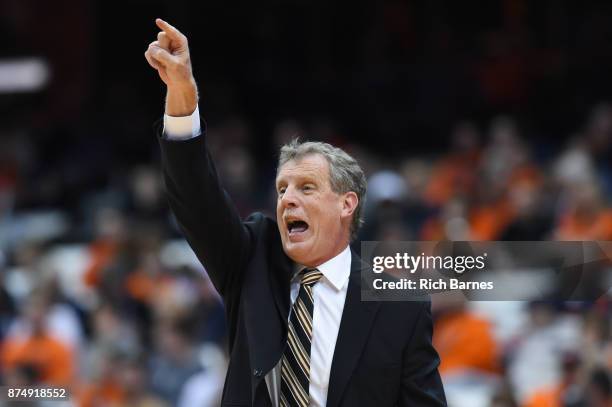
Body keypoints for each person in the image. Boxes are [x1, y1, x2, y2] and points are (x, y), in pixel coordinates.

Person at [144, 18, 446, 407]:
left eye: (306, 188)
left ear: (346, 204)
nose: (287, 199)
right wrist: (182, 96)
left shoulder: (400, 308)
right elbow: (197, 201)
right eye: (282, 189)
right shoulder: (251, 259)